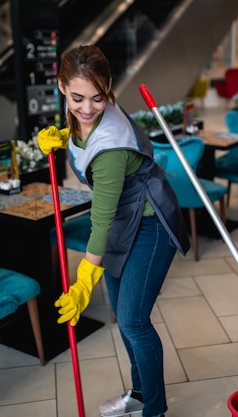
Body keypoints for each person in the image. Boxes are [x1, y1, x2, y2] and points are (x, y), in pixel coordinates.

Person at [37, 45, 189, 417]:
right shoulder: (82, 110)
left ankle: (153, 409)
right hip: (125, 222)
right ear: (61, 87)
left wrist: (84, 279)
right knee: (125, 318)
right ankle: (139, 393)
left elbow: (100, 220)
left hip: (151, 225)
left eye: (97, 98)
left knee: (135, 320)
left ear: (108, 88)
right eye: (77, 98)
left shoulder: (110, 149)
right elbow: (80, 124)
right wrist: (61, 137)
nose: (87, 107)